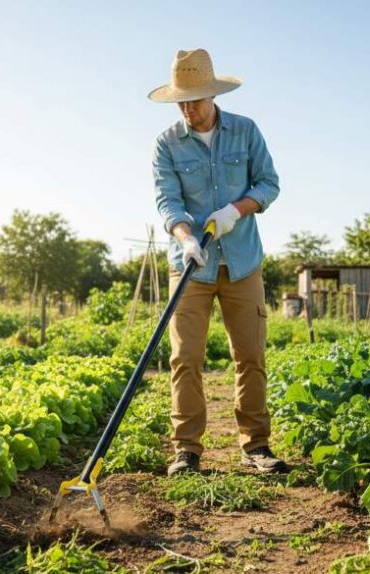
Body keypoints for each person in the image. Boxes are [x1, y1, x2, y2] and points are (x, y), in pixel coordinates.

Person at [149, 48, 286, 475]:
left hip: (242, 261)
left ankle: (256, 446)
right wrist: (187, 238)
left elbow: (269, 183)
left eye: (196, 100)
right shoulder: (167, 144)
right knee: (185, 357)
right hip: (191, 264)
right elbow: (168, 202)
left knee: (250, 354)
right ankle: (186, 450)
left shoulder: (245, 132)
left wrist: (235, 211)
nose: (189, 110)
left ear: (213, 95)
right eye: (182, 102)